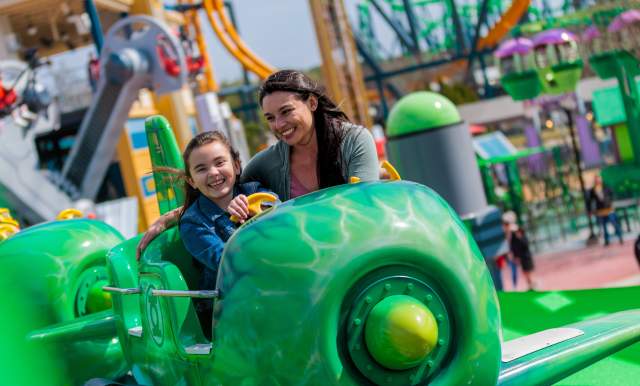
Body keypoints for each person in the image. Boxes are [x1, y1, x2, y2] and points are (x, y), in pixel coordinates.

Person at [136, 69, 379, 256]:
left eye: (286, 111)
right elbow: (223, 188)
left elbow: (365, 209)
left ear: (312, 103)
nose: (279, 125)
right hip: (307, 260)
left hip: (354, 248)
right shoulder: (268, 163)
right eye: (270, 118)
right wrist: (173, 216)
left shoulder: (353, 140)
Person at [587, 174, 623, 246]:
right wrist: (590, 210)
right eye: (596, 179)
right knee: (604, 226)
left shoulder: (606, 187)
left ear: (601, 179)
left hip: (609, 208)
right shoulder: (593, 190)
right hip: (600, 210)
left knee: (614, 223)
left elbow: (612, 195)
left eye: (599, 179)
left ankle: (620, 237)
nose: (597, 180)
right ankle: (607, 240)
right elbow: (590, 201)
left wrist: (611, 202)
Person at [503, 218, 535, 290]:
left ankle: (532, 285)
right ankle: (530, 285)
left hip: (525, 257)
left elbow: (522, 245)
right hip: (518, 257)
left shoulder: (519, 237)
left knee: (527, 272)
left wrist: (516, 256)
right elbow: (515, 246)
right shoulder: (511, 235)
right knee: (524, 272)